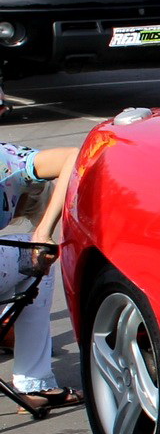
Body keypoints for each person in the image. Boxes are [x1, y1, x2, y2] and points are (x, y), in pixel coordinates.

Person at [1, 141, 81, 416]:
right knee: (34, 253)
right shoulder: (9, 159)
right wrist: (43, 232)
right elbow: (72, 154)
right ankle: (34, 384)